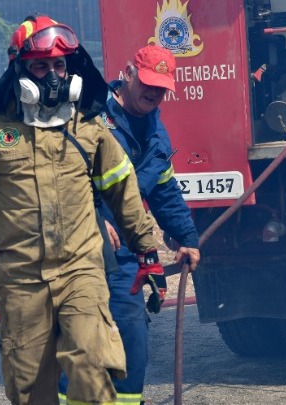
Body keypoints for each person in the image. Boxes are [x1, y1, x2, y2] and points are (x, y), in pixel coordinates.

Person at [0, 15, 163, 405]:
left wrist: (148, 252)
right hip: (21, 278)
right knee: (30, 389)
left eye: (60, 65)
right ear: (21, 71)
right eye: (41, 66)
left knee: (92, 363)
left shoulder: (90, 129)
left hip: (81, 270)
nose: (53, 76)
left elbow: (123, 191)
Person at [59, 45, 201, 405]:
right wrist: (95, 217)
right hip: (77, 250)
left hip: (126, 257)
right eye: (148, 83)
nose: (153, 93)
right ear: (127, 73)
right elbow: (62, 177)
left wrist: (186, 237)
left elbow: (165, 190)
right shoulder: (88, 115)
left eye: (161, 88)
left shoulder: (156, 134)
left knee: (131, 338)